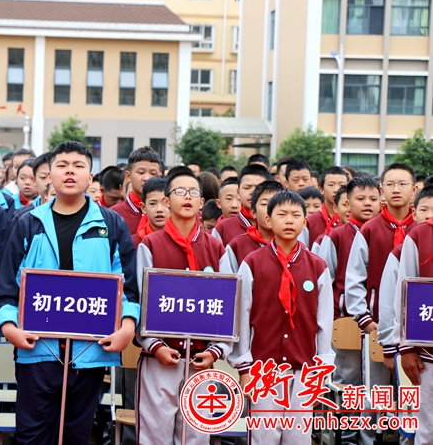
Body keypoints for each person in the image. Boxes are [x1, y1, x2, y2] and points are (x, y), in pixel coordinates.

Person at [0, 141, 139, 445]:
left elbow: (129, 288)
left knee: (77, 434)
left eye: (78, 166)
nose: (70, 172)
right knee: (31, 436)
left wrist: (127, 327)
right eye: (62, 165)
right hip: (37, 350)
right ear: (49, 175)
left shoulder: (111, 225)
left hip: (90, 353)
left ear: (91, 176)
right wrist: (10, 329)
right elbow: (6, 288)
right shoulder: (28, 223)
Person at [135, 168, 231, 445]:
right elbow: (140, 303)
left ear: (202, 202)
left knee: (197, 435)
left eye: (193, 192)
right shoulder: (150, 245)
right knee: (154, 435)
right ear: (166, 201)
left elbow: (228, 306)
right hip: (159, 358)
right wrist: (155, 346)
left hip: (201, 359)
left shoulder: (217, 248)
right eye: (179, 192)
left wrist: (216, 351)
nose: (187, 197)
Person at [229, 190, 333, 445]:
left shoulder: (318, 267)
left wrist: (321, 368)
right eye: (282, 214)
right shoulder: (252, 263)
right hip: (262, 368)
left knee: (298, 437)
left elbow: (324, 323)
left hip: (304, 369)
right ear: (267, 219)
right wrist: (244, 367)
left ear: (305, 221)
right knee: (264, 436)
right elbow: (241, 317)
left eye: (296, 215)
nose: (289, 221)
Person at [345, 163, 417, 445]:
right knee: (374, 389)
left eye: (403, 184)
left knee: (410, 389)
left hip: (416, 328)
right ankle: (368, 439)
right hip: (376, 324)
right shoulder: (370, 229)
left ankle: (405, 438)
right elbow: (354, 278)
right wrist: (364, 318)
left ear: (414, 190)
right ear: (382, 191)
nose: (396, 189)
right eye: (390, 184)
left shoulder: (421, 230)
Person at [317, 177, 380, 443]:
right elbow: (324, 281)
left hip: (380, 323)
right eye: (360, 199)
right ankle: (348, 435)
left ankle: (375, 434)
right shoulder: (336, 236)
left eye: (373, 199)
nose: (367, 204)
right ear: (347, 203)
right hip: (346, 323)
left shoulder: (386, 232)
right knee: (349, 382)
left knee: (377, 385)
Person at [378, 185, 433, 444]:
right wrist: (406, 348)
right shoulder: (420, 235)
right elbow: (404, 292)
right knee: (427, 428)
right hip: (427, 354)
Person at [225, 181, 283, 272]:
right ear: (253, 212)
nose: (271, 209)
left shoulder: (294, 246)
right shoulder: (236, 246)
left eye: (277, 204)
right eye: (264, 204)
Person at [211, 164, 272, 245]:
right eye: (247, 187)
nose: (252, 192)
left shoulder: (279, 224)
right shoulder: (223, 228)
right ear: (238, 192)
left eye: (258, 188)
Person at [111, 146, 163, 234]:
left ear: (160, 176)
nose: (147, 178)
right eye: (141, 172)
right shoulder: (114, 215)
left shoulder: (169, 212)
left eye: (153, 173)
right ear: (128, 176)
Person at [300, 167, 349, 249]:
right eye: (331, 185)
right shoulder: (309, 222)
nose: (336, 190)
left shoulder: (350, 220)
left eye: (342, 185)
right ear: (321, 189)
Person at [131, 176, 169, 248]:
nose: (159, 209)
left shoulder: (182, 241)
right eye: (152, 204)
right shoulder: (133, 243)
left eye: (165, 203)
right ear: (143, 208)